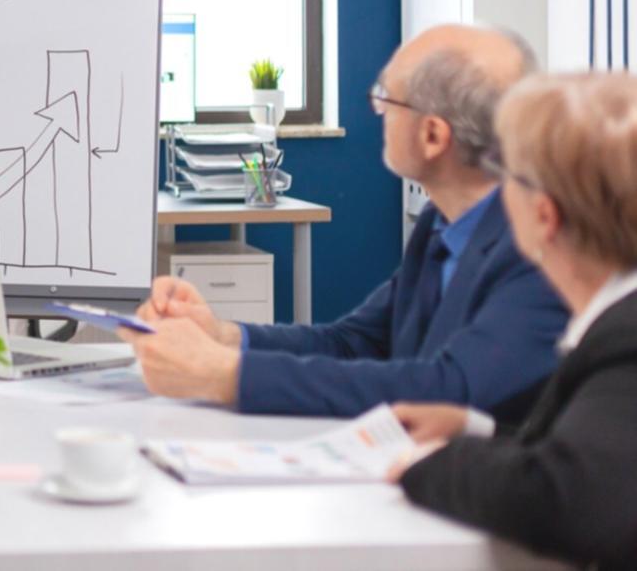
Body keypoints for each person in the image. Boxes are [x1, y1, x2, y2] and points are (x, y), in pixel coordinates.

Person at [123, 24, 567, 419]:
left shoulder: (544, 246)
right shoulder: (444, 222)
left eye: (386, 98)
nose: (378, 111)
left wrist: (223, 375)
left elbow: (450, 391)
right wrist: (222, 336)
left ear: (433, 136)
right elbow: (354, 342)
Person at [390, 72, 637, 567]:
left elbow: (569, 502)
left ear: (544, 216)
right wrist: (478, 429)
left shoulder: (625, 342)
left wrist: (436, 462)